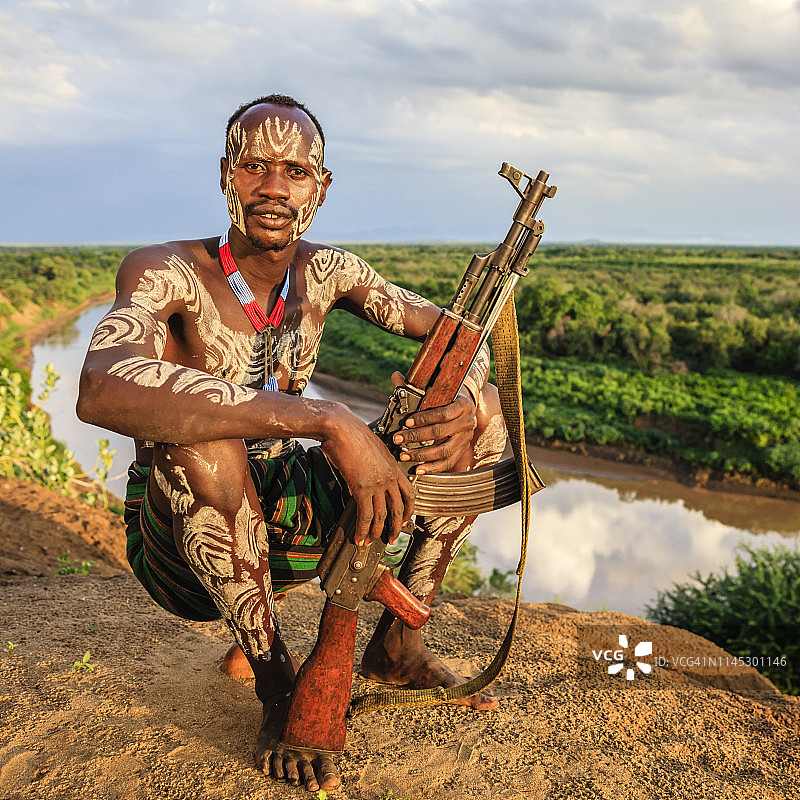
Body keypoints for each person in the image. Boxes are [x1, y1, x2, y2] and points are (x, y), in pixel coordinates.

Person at [77, 94, 508, 793]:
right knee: (204, 442)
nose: (274, 187)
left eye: (296, 172)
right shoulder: (165, 271)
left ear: (321, 187)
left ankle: (398, 646)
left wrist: (466, 398)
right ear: (226, 174)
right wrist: (327, 419)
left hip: (286, 519)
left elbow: (462, 339)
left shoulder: (329, 272)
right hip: (184, 544)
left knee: (484, 416)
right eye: (255, 166)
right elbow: (100, 386)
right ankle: (278, 685)